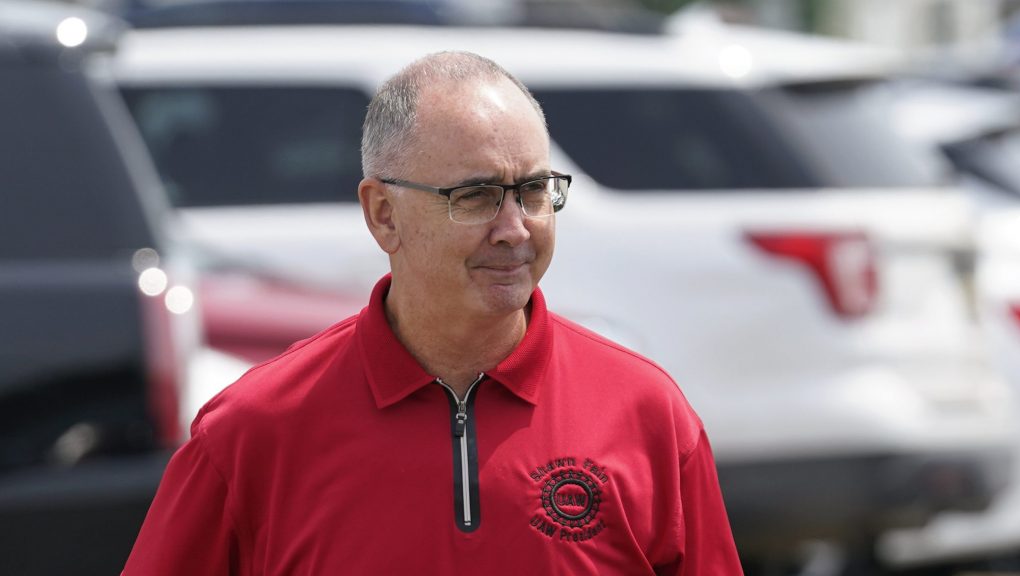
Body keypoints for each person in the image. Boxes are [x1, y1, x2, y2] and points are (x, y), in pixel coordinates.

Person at [122, 51, 743, 575]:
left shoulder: (646, 413)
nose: (513, 228)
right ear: (383, 215)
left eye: (531, 192)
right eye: (474, 196)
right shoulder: (251, 431)